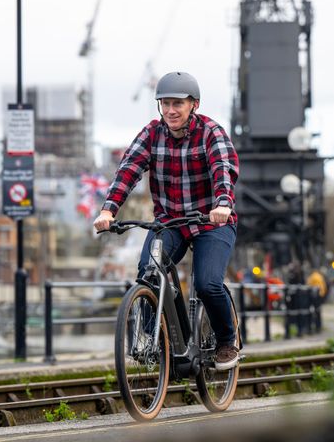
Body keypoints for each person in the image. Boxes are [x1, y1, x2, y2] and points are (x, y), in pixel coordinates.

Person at [93, 71, 241, 370]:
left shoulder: (211, 132)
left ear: (193, 105)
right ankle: (157, 341)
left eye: (177, 103)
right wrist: (109, 210)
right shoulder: (151, 133)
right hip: (169, 222)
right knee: (148, 274)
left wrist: (223, 203)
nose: (170, 110)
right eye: (164, 104)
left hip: (211, 221)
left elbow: (223, 169)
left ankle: (227, 341)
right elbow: (128, 170)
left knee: (208, 283)